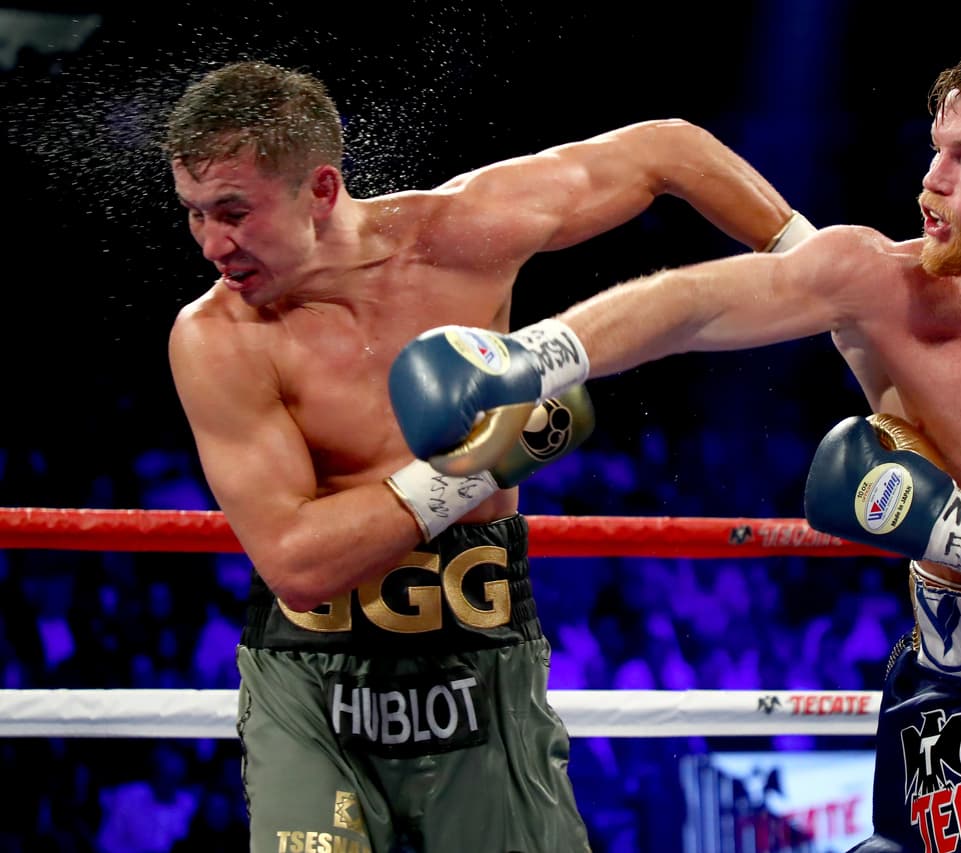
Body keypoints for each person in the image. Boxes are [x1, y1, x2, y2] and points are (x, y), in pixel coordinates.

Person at [391, 36, 961, 852]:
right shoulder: (885, 284)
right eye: (937, 151)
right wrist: (530, 357)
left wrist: (941, 524)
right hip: (944, 686)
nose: (932, 181)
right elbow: (699, 303)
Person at [163, 60, 808, 852]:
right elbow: (297, 561)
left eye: (232, 212)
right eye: (193, 214)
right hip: (311, 684)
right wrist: (478, 460)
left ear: (322, 190)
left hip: (479, 655)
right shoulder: (216, 337)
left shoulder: (458, 235)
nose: (210, 244)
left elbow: (665, 150)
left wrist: (815, 264)